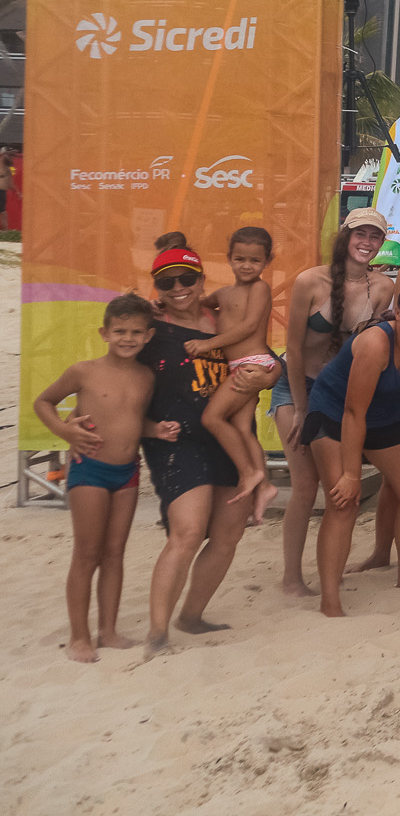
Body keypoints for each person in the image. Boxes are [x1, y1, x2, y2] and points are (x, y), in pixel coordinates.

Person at [302, 280, 400, 617]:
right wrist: (353, 474)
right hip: (334, 411)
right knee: (344, 501)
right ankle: (330, 599)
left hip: (383, 412)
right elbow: (354, 412)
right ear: (398, 311)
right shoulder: (375, 342)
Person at [137, 238, 253, 655]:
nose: (178, 287)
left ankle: (191, 615)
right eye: (167, 283)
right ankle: (156, 635)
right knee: (187, 533)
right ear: (157, 288)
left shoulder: (222, 318)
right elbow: (118, 375)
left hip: (227, 435)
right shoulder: (149, 328)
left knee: (228, 533)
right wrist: (143, 428)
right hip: (176, 439)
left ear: (203, 280)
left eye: (187, 278)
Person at [276, 209, 395, 597]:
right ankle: (292, 577)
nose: (367, 242)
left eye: (374, 236)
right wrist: (301, 406)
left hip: (339, 393)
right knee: (305, 485)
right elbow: (293, 351)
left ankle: (331, 567)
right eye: (360, 233)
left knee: (337, 489)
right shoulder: (310, 281)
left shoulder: (382, 287)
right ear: (345, 237)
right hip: (297, 387)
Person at [33, 294, 156, 662]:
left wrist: (157, 430)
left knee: (115, 553)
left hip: (128, 473)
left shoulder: (146, 376)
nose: (128, 338)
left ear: (148, 335)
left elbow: (130, 418)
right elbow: (43, 401)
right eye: (120, 331)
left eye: (136, 332)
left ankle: (108, 629)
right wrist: (65, 432)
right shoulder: (83, 371)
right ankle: (79, 636)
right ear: (104, 332)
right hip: (90, 470)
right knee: (87, 553)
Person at [195, 226, 280, 516]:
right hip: (242, 366)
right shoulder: (223, 293)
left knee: (212, 417)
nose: (247, 266)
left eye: (255, 261)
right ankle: (265, 485)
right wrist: (158, 304)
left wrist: (208, 345)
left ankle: (248, 472)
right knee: (243, 429)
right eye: (240, 259)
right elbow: (196, 304)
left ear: (267, 262)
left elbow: (249, 326)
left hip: (252, 365)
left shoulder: (260, 288)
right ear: (228, 258)